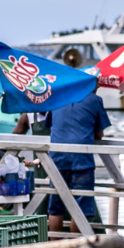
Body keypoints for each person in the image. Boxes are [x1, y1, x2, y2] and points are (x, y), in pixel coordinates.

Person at [45, 88, 110, 234]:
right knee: (80, 209)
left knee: (55, 207)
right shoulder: (95, 100)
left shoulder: (58, 96)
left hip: (57, 158)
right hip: (81, 160)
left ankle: (53, 246)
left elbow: (52, 126)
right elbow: (99, 134)